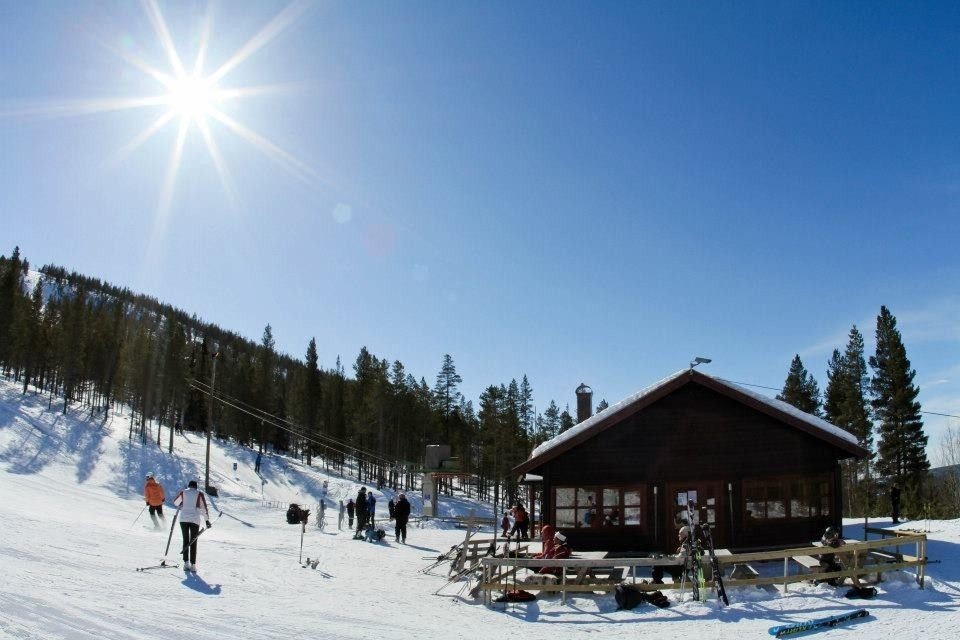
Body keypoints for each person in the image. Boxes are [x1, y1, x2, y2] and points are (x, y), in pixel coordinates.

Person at [173, 480, 211, 572]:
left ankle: (186, 563)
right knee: (193, 541)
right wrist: (207, 520)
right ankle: (193, 564)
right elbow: (203, 508)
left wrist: (182, 504)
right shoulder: (199, 494)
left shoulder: (183, 492)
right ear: (196, 486)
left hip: (183, 519)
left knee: (185, 540)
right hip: (194, 520)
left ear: (189, 486)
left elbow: (176, 502)